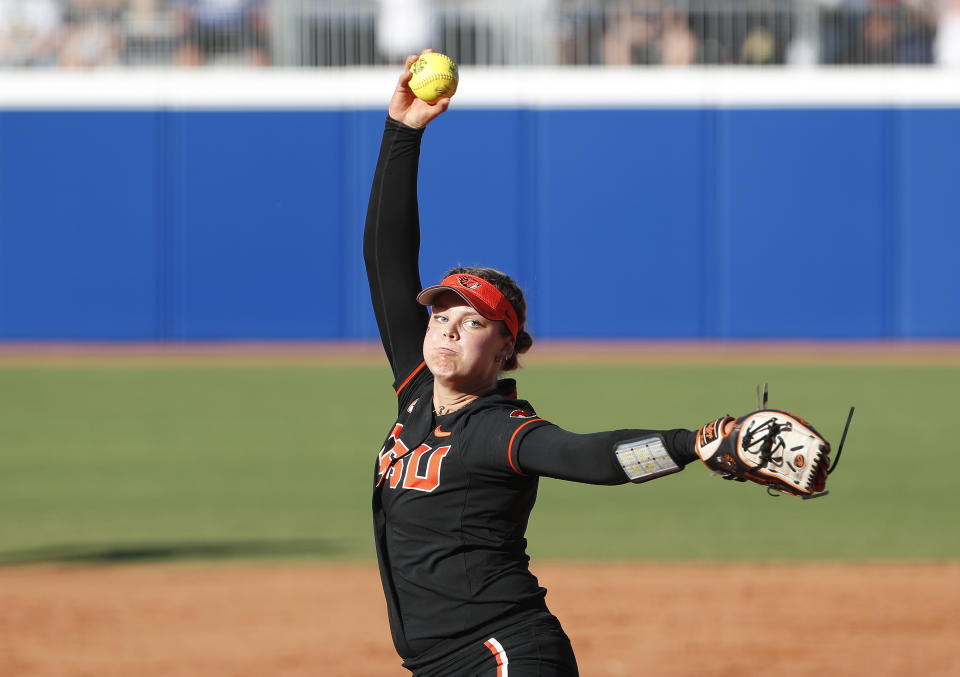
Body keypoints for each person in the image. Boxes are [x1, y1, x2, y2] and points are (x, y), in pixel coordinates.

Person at [363, 50, 832, 676]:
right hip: (439, 665)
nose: (447, 328)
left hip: (503, 656)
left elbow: (594, 457)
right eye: (440, 314)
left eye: (472, 321)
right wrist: (404, 132)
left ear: (507, 350)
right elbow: (385, 259)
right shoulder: (417, 394)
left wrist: (694, 444)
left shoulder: (498, 431)